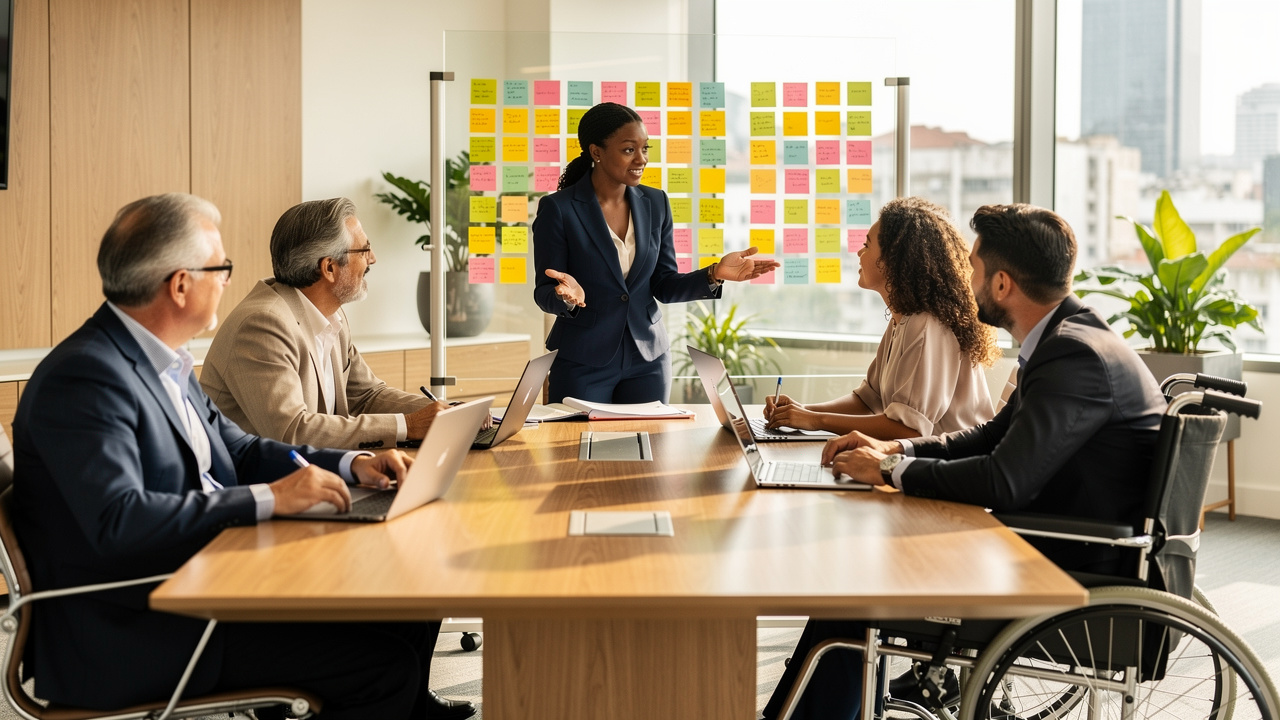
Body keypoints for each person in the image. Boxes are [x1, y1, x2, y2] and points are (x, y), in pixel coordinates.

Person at [11, 194, 475, 720]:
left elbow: (241, 448)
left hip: (205, 579)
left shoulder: (164, 360)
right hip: (141, 626)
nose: (230, 282)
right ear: (180, 285)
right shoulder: (86, 377)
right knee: (384, 666)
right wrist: (268, 498)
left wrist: (351, 464)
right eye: (221, 269)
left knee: (404, 604)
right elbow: (119, 519)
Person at [762, 204, 1167, 720]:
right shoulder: (1068, 338)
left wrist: (888, 471)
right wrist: (898, 451)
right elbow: (991, 436)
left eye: (973, 267)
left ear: (1001, 284)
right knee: (852, 581)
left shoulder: (1073, 354)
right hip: (1053, 546)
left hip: (1067, 571)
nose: (964, 279)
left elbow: (1003, 479)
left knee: (855, 585)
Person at [533, 102, 779, 403]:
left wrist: (714, 274)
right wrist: (565, 297)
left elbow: (664, 284)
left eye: (645, 148)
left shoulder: (656, 203)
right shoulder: (559, 209)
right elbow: (544, 291)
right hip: (583, 359)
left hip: (648, 360)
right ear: (596, 152)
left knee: (653, 434)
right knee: (578, 434)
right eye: (629, 150)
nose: (641, 159)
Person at [201, 198, 454, 451]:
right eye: (364, 250)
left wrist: (448, 413)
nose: (373, 259)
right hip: (252, 474)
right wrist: (408, 425)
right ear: (329, 267)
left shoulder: (332, 316)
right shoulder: (263, 324)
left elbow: (367, 396)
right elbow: (292, 432)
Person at [764, 197, 998, 439]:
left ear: (893, 260)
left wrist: (815, 421)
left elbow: (908, 429)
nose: (859, 252)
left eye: (866, 245)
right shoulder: (903, 318)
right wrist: (801, 411)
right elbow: (868, 401)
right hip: (921, 455)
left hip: (954, 459)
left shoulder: (926, 325)